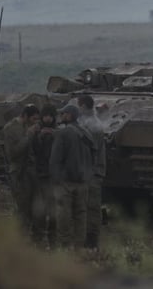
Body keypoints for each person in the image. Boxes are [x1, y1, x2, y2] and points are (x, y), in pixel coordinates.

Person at [50, 104, 94, 250]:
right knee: (81, 214)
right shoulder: (86, 133)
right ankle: (79, 245)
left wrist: (55, 180)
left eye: (63, 114)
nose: (61, 116)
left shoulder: (63, 133)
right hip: (83, 182)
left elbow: (55, 159)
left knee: (64, 214)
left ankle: (64, 245)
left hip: (66, 182)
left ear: (69, 116)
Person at [2, 104, 40, 238]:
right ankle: (20, 238)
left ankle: (33, 237)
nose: (35, 122)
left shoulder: (28, 126)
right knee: (23, 208)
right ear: (25, 116)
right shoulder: (11, 128)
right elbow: (13, 153)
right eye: (33, 119)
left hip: (32, 172)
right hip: (19, 173)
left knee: (34, 208)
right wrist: (29, 135)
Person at [77, 95, 106, 250]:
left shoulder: (94, 125)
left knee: (92, 208)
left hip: (93, 172)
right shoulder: (87, 122)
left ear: (83, 106)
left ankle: (92, 242)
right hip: (87, 172)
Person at [30, 104, 58, 248]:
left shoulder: (59, 131)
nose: (47, 118)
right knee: (39, 208)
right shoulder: (36, 130)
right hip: (40, 173)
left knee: (53, 208)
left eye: (50, 116)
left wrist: (55, 135)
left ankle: (52, 236)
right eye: (45, 115)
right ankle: (38, 235)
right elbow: (32, 150)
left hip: (53, 175)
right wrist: (39, 137)